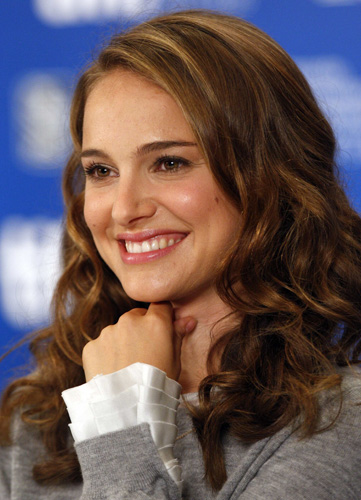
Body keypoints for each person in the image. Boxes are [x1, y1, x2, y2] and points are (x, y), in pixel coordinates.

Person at [1, 9, 361, 499]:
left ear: (270, 174)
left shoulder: (341, 422)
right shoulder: (35, 424)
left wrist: (119, 419)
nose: (124, 209)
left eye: (168, 163)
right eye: (101, 171)